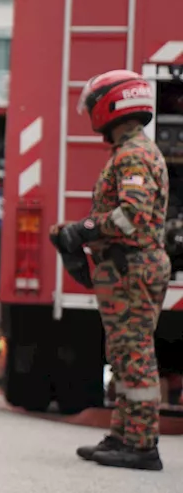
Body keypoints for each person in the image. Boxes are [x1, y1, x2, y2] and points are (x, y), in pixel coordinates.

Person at [59, 70, 170, 471]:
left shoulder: (134, 154)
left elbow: (132, 216)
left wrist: (83, 230)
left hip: (132, 267)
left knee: (135, 354)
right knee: (124, 354)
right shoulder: (130, 152)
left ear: (111, 105)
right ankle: (125, 436)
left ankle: (141, 445)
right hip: (127, 268)